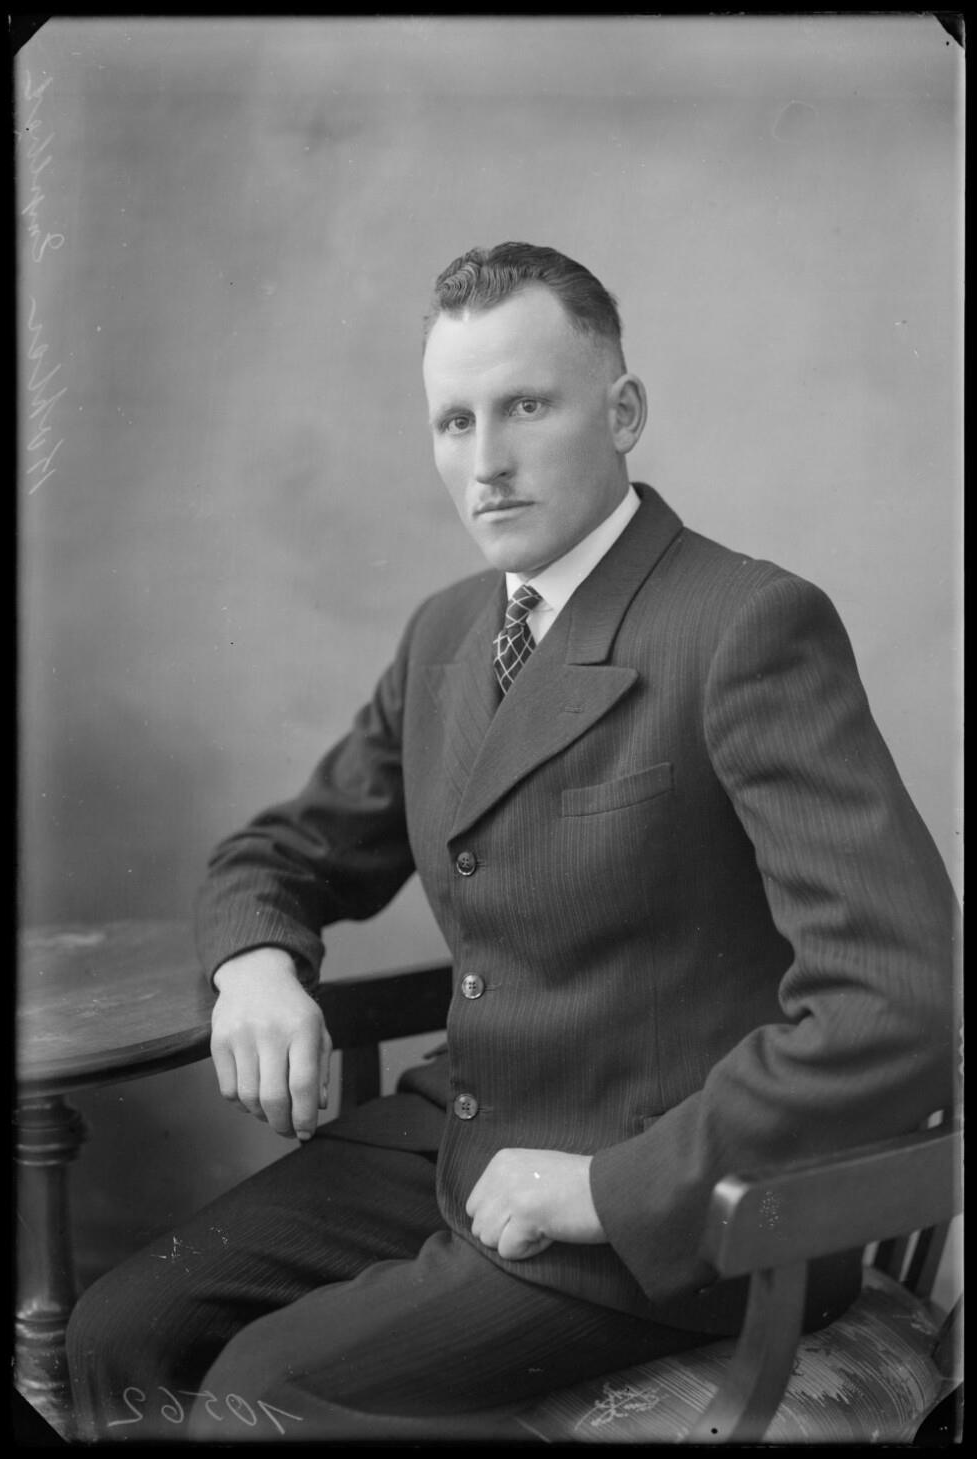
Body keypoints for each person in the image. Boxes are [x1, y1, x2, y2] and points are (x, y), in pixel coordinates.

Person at [66, 243, 957, 1442]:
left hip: (676, 1199)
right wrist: (255, 964)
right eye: (453, 420)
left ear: (622, 412)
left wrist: (611, 1187)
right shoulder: (446, 634)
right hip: (465, 1125)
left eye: (525, 407)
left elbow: (900, 998)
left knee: (261, 1391)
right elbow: (281, 850)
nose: (483, 461)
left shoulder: (744, 626)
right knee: (117, 1332)